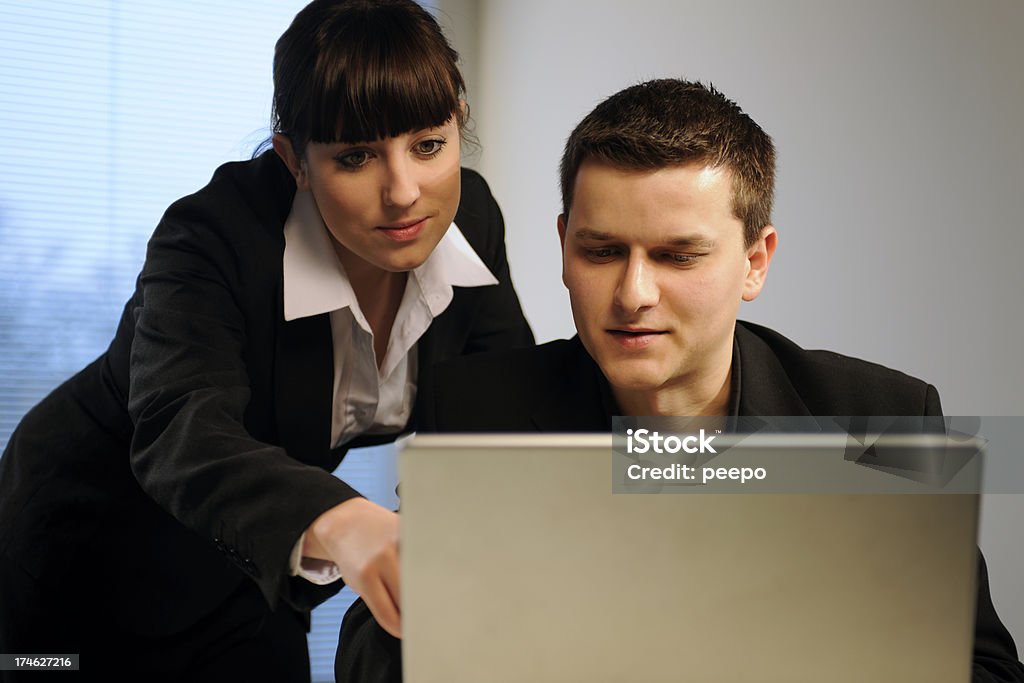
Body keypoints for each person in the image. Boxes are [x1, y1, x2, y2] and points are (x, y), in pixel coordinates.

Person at [335, 79, 1024, 682]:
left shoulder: (883, 418)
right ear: (564, 248)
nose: (633, 293)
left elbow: (983, 666)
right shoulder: (478, 409)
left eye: (677, 256)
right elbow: (366, 658)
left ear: (756, 261)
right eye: (602, 251)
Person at [0, 1, 533, 681]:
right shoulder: (210, 237)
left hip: (251, 563)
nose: (405, 192)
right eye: (355, 156)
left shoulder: (469, 217)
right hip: (85, 550)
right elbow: (182, 427)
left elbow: (505, 404)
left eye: (429, 144)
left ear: (457, 121)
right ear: (295, 161)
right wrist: (345, 520)